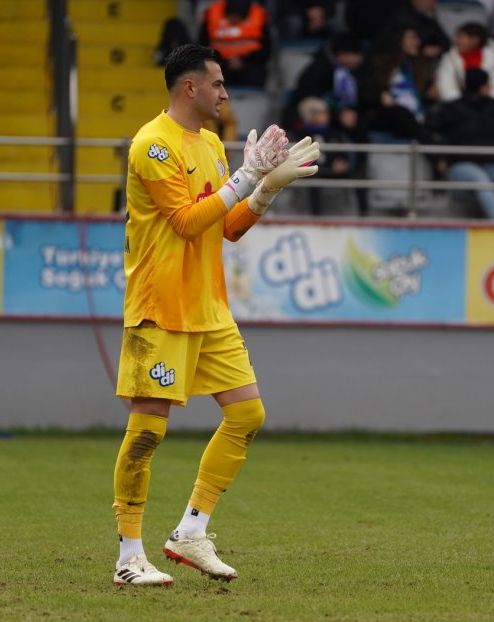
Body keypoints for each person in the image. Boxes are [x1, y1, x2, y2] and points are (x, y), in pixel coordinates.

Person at [110, 44, 320, 586]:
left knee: (248, 416)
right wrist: (246, 177)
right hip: (161, 307)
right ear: (190, 88)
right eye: (219, 83)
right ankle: (128, 556)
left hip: (210, 308)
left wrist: (265, 189)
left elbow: (225, 227)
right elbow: (183, 222)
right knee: (147, 433)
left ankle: (189, 533)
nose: (226, 93)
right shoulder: (151, 146)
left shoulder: (209, 143)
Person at [432, 68, 494, 221]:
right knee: (481, 179)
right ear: (478, 87)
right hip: (461, 165)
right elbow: (427, 131)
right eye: (486, 85)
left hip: (491, 164)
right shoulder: (453, 108)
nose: (490, 88)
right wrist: (438, 159)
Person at [436, 22, 494, 108]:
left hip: (489, 109)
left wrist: (487, 101)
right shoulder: (449, 59)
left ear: (475, 40)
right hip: (458, 110)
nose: (456, 41)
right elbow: (446, 88)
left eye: (461, 37)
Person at [198, 0, 271, 87]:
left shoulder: (259, 15)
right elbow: (202, 47)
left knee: (254, 72)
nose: (234, 20)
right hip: (220, 63)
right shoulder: (212, 13)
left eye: (238, 17)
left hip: (250, 63)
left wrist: (243, 60)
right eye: (232, 16)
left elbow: (266, 50)